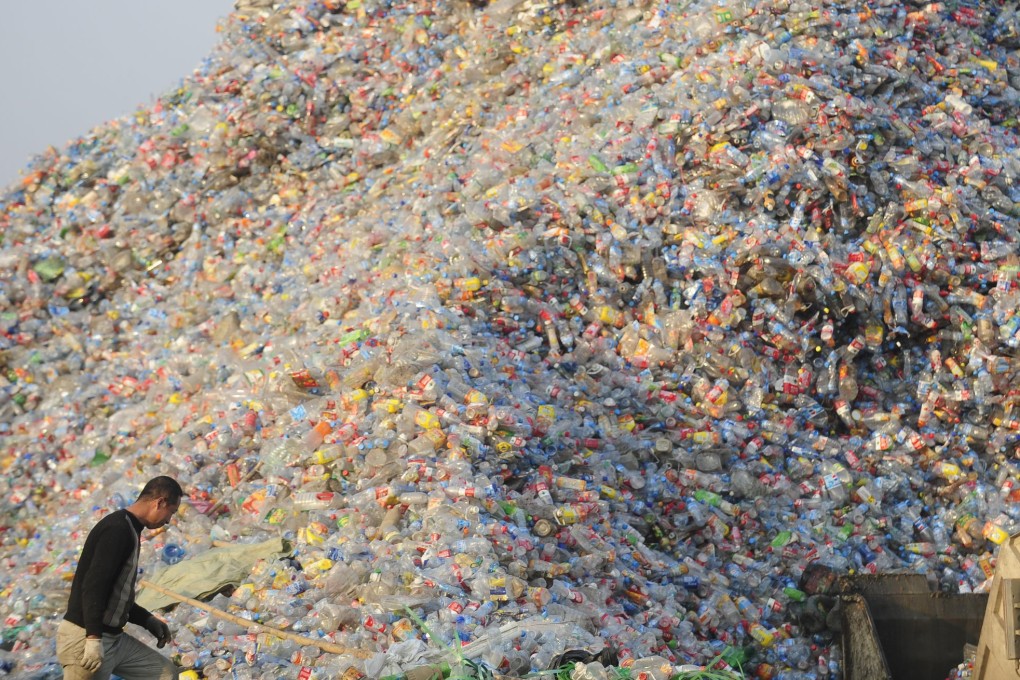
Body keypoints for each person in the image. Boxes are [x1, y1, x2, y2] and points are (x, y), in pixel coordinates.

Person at [57, 476, 184, 680]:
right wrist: (93, 638)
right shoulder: (117, 529)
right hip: (85, 637)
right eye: (171, 511)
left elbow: (114, 593)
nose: (169, 520)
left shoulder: (131, 528)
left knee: (166, 675)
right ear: (159, 502)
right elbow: (94, 586)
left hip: (114, 639)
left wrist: (147, 620)